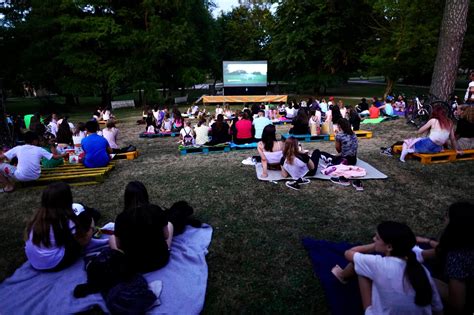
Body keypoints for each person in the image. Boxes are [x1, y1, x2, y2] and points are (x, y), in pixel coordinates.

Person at [342, 221, 443, 315]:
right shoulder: (422, 270)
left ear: (389, 247)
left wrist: (374, 246)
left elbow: (349, 253)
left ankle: (342, 276)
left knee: (361, 267)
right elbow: (438, 308)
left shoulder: (378, 264)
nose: (373, 239)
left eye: (377, 238)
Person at [109, 181, 199, 273]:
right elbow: (166, 236)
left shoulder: (121, 218)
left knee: (112, 238)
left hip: (135, 265)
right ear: (145, 195)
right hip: (160, 260)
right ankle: (165, 249)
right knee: (169, 225)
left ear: (126, 198)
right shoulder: (155, 210)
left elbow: (119, 245)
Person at [24, 182, 94, 271]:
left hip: (35, 262)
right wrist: (91, 225)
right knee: (83, 224)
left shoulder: (37, 217)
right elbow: (83, 241)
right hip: (54, 263)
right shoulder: (65, 220)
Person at [429, 201, 474, 314]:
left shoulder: (457, 257)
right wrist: (428, 241)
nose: (444, 218)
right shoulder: (467, 242)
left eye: (447, 216)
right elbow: (444, 250)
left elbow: (457, 303)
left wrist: (427, 280)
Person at [0, 131, 67, 192]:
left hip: (21, 176)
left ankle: (8, 186)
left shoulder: (18, 148)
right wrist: (64, 155)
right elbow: (54, 157)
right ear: (34, 141)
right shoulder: (39, 149)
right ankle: (9, 184)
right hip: (35, 176)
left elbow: (2, 157)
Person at [313, 118, 362, 190]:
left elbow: (338, 149)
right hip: (353, 160)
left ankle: (333, 162)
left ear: (339, 126)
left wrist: (336, 136)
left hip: (344, 160)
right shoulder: (353, 134)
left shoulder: (339, 135)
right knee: (334, 157)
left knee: (319, 153)